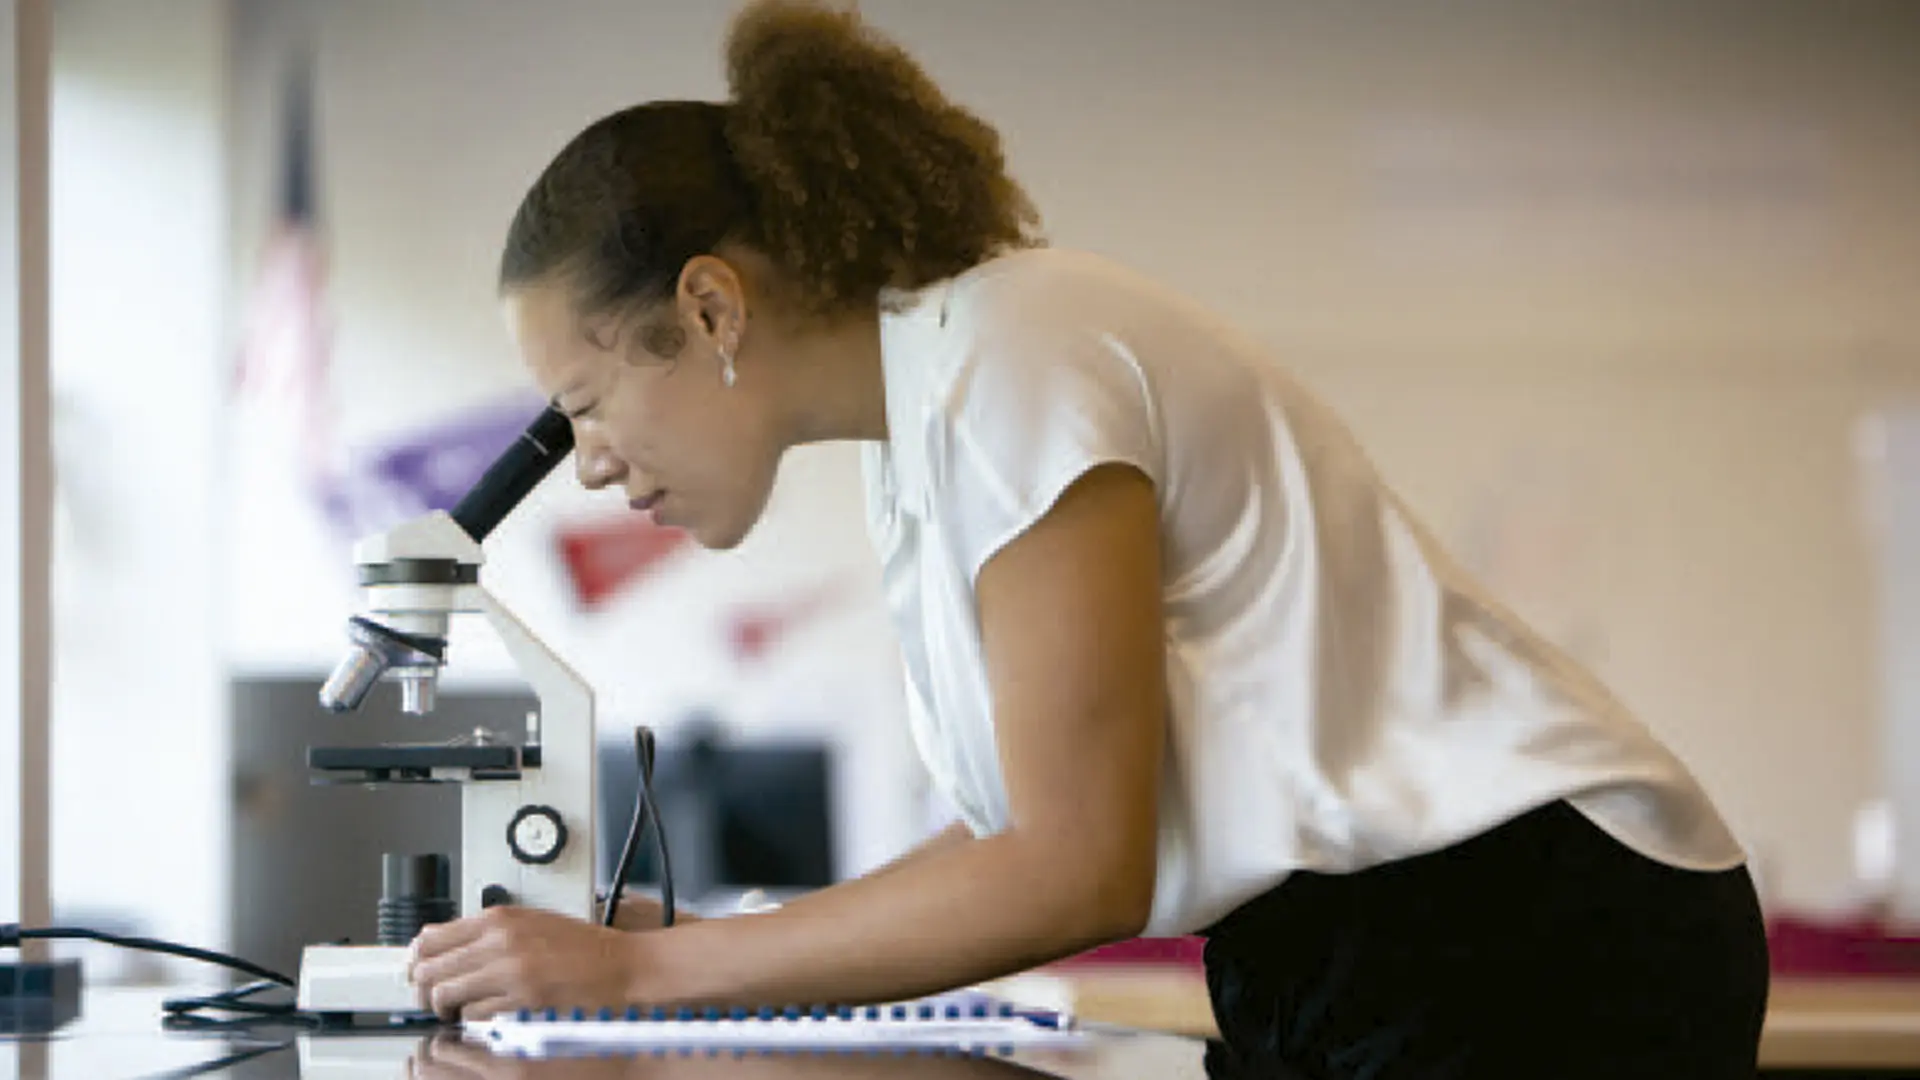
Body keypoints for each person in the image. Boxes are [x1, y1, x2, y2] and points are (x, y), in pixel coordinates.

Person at [407, 1, 1771, 1075]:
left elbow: (1074, 868)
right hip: (1342, 952)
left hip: (1529, 935)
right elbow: (1013, 842)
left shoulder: (1014, 356)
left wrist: (646, 980)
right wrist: (705, 949)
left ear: (709, 308)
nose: (587, 465)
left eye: (585, 403)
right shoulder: (936, 417)